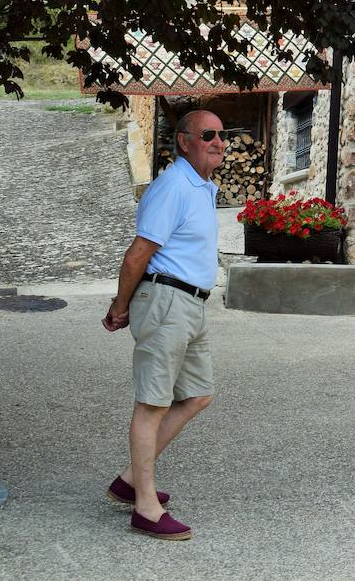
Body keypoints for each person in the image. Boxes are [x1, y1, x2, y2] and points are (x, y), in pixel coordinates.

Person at [102, 109, 226, 541]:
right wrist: (121, 306)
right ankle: (146, 508)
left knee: (198, 395)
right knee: (153, 404)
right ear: (184, 142)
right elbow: (138, 253)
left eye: (222, 135)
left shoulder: (202, 187)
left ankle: (128, 480)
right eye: (207, 134)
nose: (218, 142)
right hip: (167, 300)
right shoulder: (173, 186)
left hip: (192, 303)